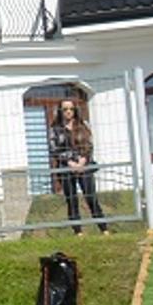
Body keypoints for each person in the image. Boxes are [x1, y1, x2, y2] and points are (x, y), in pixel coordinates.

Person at [50, 100, 109, 235]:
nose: (68, 111)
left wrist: (82, 161)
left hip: (84, 167)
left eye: (71, 109)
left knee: (91, 197)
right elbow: (54, 150)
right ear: (60, 111)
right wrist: (70, 163)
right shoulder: (55, 129)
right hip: (66, 168)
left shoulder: (83, 125)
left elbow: (89, 146)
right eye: (65, 109)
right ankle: (78, 231)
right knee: (72, 199)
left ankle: (104, 229)